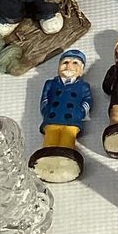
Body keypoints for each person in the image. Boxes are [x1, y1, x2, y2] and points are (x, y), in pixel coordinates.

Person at [30, 48, 93, 182]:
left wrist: (81, 112)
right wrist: (46, 111)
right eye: (65, 62)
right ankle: (47, 166)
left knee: (67, 143)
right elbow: (45, 98)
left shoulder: (83, 86)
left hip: (72, 121)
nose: (69, 66)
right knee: (49, 143)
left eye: (75, 63)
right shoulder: (51, 83)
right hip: (52, 118)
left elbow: (87, 100)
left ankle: (65, 167)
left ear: (81, 70)